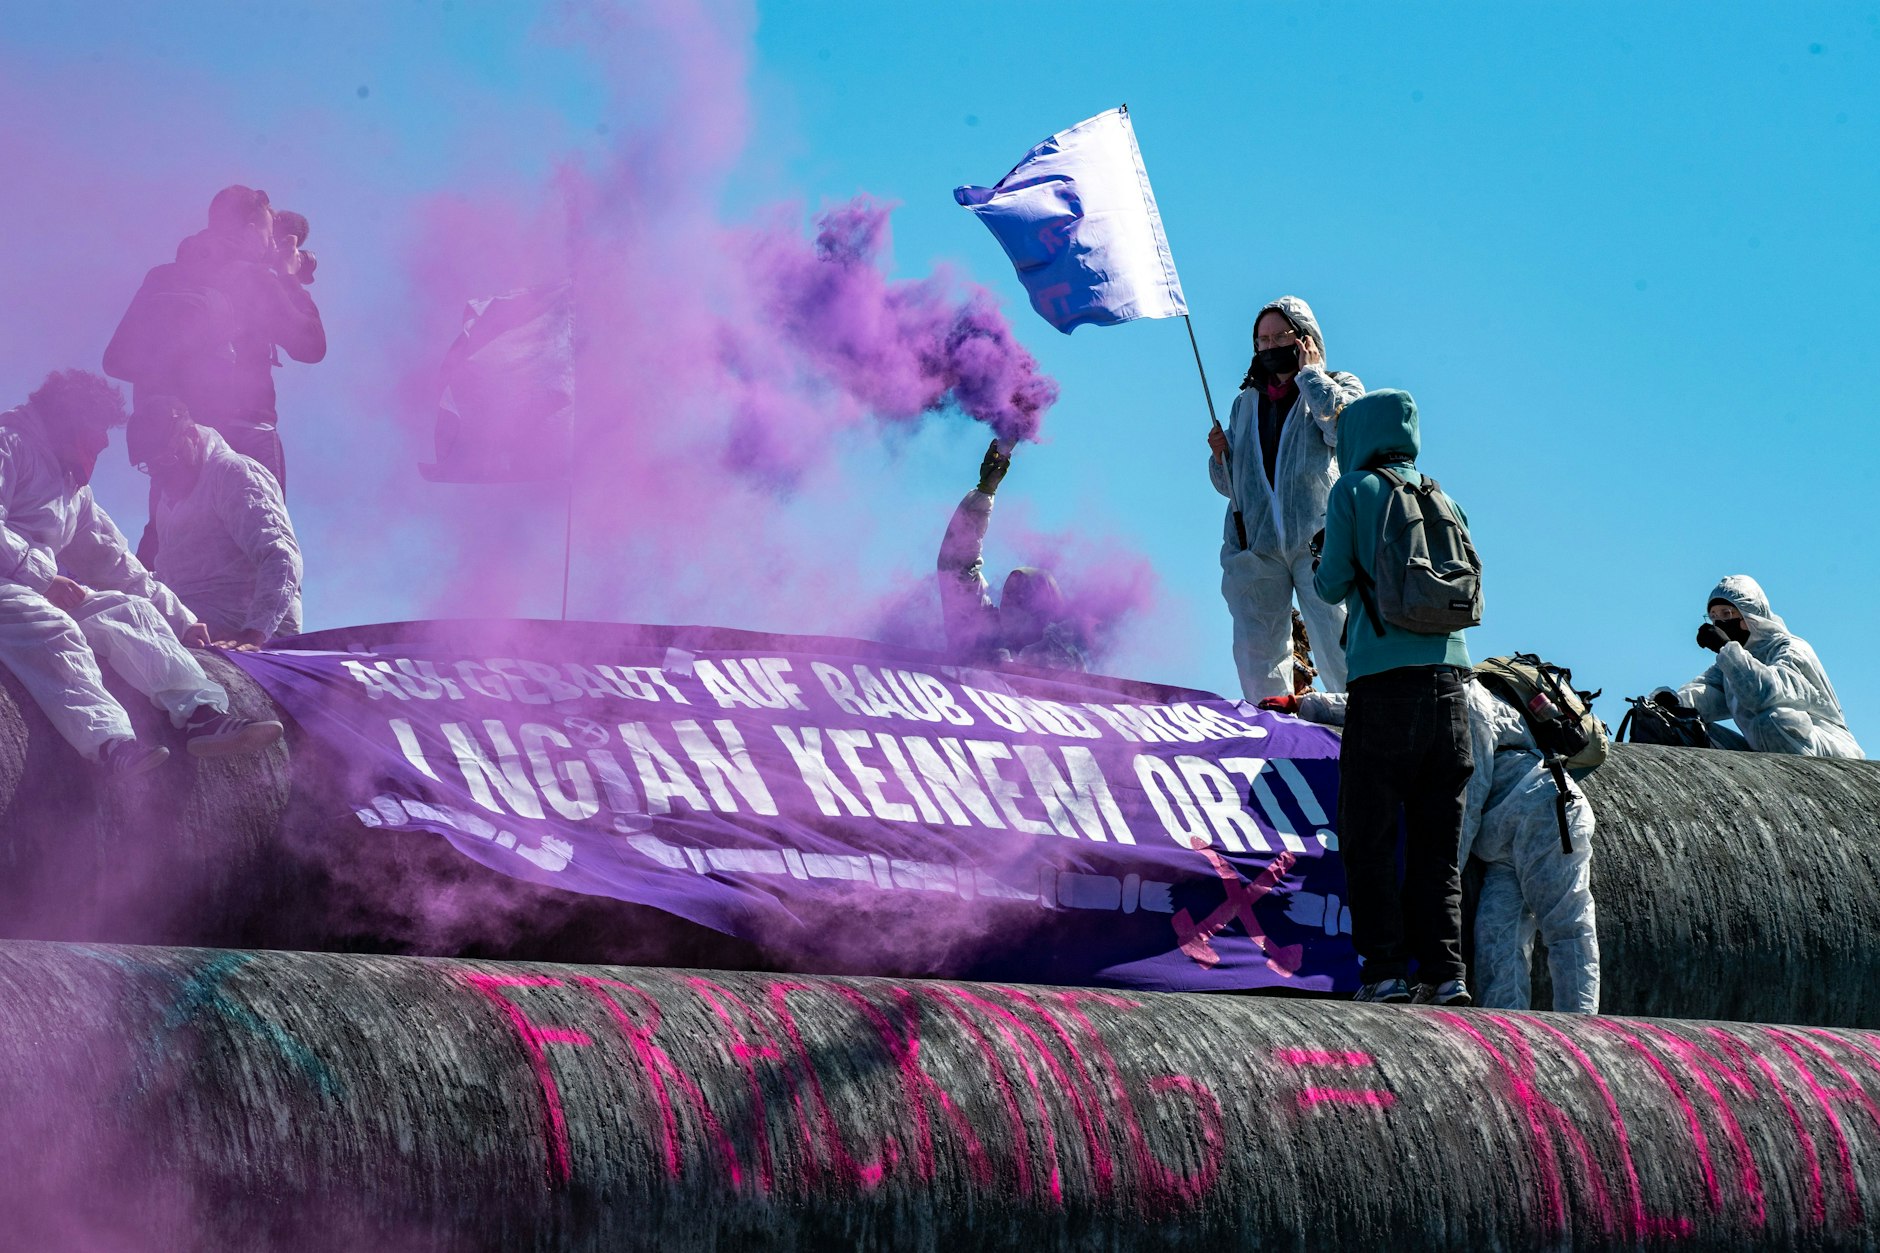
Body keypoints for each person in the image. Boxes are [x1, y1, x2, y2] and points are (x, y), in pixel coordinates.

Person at [0, 371, 283, 776]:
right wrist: (42, 578)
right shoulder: (9, 443)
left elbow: (117, 563)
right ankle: (113, 745)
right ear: (68, 420)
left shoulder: (72, 487)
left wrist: (183, 622)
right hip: (12, 586)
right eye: (96, 430)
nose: (103, 442)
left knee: (132, 611)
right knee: (53, 627)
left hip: (36, 586)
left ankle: (203, 716)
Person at [1267, 675, 1600, 1013]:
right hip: (1501, 838)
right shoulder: (1437, 698)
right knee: (1497, 939)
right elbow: (1380, 706)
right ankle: (1510, 1036)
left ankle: (1583, 1031)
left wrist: (1440, 876)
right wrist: (1304, 705)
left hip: (1542, 818)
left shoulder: (1467, 705)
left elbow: (1469, 793)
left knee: (1566, 926)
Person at [1311, 389, 1474, 1006]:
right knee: (1438, 846)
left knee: (1370, 835)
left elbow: (1329, 586)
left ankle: (1384, 971)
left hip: (1384, 691)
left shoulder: (1352, 491)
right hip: (1453, 692)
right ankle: (1446, 973)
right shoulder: (1442, 496)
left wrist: (1324, 550)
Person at [103, 185, 325, 493]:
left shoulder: (163, 277)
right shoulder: (254, 280)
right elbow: (311, 345)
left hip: (177, 438)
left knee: (173, 535)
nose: (271, 243)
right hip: (244, 432)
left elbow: (115, 360)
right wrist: (288, 276)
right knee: (255, 534)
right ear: (250, 231)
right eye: (268, 233)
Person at [1207, 296, 1363, 700]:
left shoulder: (1338, 384)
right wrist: (1220, 456)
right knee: (1257, 651)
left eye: (1281, 336)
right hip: (1256, 547)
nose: (1272, 346)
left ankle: (1364, 729)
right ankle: (1275, 739)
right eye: (1263, 339)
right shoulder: (1246, 403)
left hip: (1320, 542)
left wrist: (1312, 377)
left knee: (1340, 640)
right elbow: (1232, 488)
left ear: (1305, 338)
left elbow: (1346, 435)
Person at [126, 396, 302, 646]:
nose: (160, 476)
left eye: (167, 459)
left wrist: (253, 635)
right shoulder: (168, 501)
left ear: (192, 436)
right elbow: (171, 576)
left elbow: (281, 558)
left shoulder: (231, 473)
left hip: (249, 627)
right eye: (150, 467)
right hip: (197, 618)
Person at [1664, 575, 1863, 759]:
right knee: (1682, 724)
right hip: (1763, 751)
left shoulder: (1790, 649)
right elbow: (1709, 690)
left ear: (1750, 615)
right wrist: (1672, 702)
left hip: (1825, 748)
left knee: (1773, 719)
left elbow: (1763, 693)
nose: (1719, 623)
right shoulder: (1733, 658)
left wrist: (1726, 648)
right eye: (1714, 617)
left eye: (1727, 614)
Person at [937, 440, 1085, 671]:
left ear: (1044, 610)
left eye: (1020, 597)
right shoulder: (981, 633)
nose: (1009, 603)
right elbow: (955, 565)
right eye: (1008, 594)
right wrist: (985, 493)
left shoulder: (1065, 662)